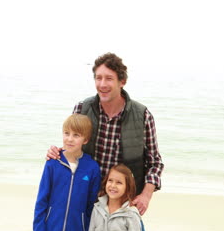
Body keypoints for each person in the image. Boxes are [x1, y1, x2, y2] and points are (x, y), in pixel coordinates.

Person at [47, 52, 164, 215]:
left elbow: (155, 163)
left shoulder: (142, 115)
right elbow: (74, 147)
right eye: (98, 78)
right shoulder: (82, 109)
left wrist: (146, 195)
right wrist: (57, 153)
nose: (102, 84)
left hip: (122, 205)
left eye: (109, 78)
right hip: (84, 198)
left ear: (122, 81)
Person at [34, 114, 101, 231]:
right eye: (66, 133)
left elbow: (90, 209)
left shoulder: (92, 168)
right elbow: (41, 203)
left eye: (76, 135)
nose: (69, 139)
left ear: (86, 140)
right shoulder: (53, 163)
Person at [87, 164, 143, 231]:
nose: (113, 185)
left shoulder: (131, 214)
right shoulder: (97, 208)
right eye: (110, 180)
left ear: (127, 187)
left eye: (119, 182)